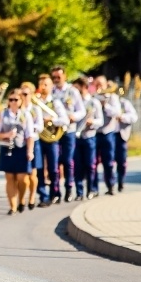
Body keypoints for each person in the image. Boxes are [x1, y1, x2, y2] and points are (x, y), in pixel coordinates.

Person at [0, 88, 34, 215]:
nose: (12, 102)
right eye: (10, 99)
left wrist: (30, 151)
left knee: (22, 178)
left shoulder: (25, 114)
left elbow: (30, 135)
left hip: (21, 147)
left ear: (20, 101)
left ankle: (22, 199)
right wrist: (6, 134)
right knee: (10, 177)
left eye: (15, 100)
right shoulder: (4, 114)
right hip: (7, 147)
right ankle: (12, 206)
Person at [51, 65, 86, 203]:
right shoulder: (51, 91)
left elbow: (81, 111)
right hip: (53, 131)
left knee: (67, 160)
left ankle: (69, 188)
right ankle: (55, 191)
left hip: (68, 130)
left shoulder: (72, 91)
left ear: (64, 76)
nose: (56, 79)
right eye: (54, 77)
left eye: (58, 77)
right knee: (54, 163)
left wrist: (74, 116)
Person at [36, 74, 69, 207]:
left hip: (52, 138)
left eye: (46, 84)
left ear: (51, 87)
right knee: (39, 167)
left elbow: (65, 120)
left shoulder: (55, 103)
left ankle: (55, 193)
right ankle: (43, 196)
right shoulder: (35, 102)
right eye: (41, 84)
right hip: (39, 137)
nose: (43, 87)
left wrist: (51, 120)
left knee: (53, 168)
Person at [72, 78, 103, 201]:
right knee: (77, 165)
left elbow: (100, 120)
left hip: (89, 137)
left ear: (84, 87)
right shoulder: (74, 103)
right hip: (76, 137)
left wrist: (92, 122)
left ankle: (92, 189)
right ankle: (79, 192)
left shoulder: (93, 102)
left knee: (90, 165)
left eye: (76, 88)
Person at [93, 76, 121, 196]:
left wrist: (105, 105)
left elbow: (117, 113)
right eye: (97, 84)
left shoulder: (112, 98)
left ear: (106, 85)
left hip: (107, 133)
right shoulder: (93, 97)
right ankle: (93, 189)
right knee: (92, 163)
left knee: (108, 162)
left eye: (101, 84)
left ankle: (111, 185)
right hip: (94, 133)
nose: (99, 87)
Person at [19, 81, 44, 210]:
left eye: (26, 94)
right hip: (20, 143)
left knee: (33, 173)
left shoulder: (35, 109)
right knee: (22, 174)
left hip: (34, 141)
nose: (23, 96)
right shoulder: (18, 108)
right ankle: (21, 198)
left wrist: (29, 126)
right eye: (21, 93)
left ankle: (32, 197)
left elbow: (40, 126)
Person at [114, 93, 139, 192]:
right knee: (108, 162)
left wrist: (122, 117)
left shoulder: (124, 103)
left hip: (120, 135)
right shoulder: (103, 102)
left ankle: (121, 182)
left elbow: (134, 117)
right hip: (106, 135)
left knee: (121, 161)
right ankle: (110, 184)